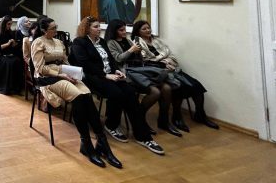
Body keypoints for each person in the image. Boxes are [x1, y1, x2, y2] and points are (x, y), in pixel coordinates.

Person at [32, 17, 122, 168]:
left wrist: (73, 73)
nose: (56, 30)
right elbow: (40, 69)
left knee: (86, 94)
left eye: (56, 27)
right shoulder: (38, 42)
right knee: (79, 97)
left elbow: (66, 61)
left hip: (65, 74)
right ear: (43, 30)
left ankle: (101, 142)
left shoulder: (58, 42)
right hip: (48, 78)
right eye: (53, 28)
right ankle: (86, 143)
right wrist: (61, 74)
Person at [69, 16, 165, 155]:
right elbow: (85, 64)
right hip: (93, 77)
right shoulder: (79, 42)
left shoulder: (102, 41)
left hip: (110, 75)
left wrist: (116, 70)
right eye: (95, 27)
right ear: (87, 29)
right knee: (117, 94)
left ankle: (143, 137)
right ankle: (111, 125)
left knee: (130, 93)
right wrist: (105, 75)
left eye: (99, 26)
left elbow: (111, 60)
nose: (99, 29)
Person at [131, 20, 219, 130]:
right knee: (178, 88)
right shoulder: (137, 44)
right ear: (138, 31)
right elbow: (145, 62)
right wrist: (163, 62)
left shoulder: (156, 41)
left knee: (197, 86)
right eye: (144, 29)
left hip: (173, 69)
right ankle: (176, 117)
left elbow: (170, 54)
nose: (148, 30)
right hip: (158, 73)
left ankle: (200, 115)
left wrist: (169, 61)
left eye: (148, 28)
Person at [105, 19, 182, 137]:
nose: (125, 32)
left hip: (140, 70)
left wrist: (140, 53)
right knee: (155, 92)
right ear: (114, 31)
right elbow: (118, 59)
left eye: (125, 29)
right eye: (121, 30)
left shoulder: (127, 40)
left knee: (167, 88)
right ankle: (139, 118)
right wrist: (131, 50)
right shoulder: (111, 43)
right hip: (128, 73)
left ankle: (164, 120)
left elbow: (141, 58)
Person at [0, 15, 24, 95]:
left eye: (11, 24)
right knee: (9, 63)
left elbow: (13, 47)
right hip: (0, 54)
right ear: (4, 24)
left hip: (8, 53)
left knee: (18, 61)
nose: (10, 26)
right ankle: (6, 87)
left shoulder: (10, 32)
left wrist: (14, 43)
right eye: (8, 24)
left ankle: (15, 87)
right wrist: (8, 44)